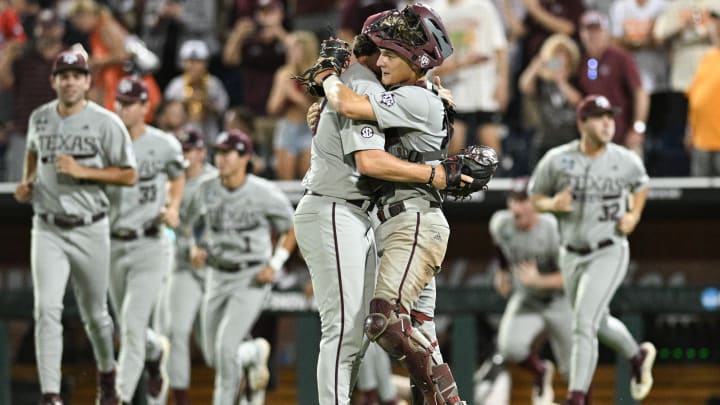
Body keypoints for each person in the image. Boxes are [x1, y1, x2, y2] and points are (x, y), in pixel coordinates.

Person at [315, 5, 470, 404]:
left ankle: (442, 399)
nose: (379, 59)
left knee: (384, 322)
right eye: (379, 51)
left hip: (412, 222)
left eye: (390, 53)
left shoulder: (417, 100)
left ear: (415, 59)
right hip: (404, 224)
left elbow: (349, 108)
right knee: (421, 336)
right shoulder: (419, 95)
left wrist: (327, 76)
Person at [13, 49, 137, 405]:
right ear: (54, 81)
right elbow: (33, 154)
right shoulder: (39, 118)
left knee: (96, 316)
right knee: (46, 309)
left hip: (90, 227)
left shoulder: (106, 122)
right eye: (63, 75)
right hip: (48, 226)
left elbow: (129, 174)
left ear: (87, 82)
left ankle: (107, 374)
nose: (69, 81)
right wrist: (27, 181)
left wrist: (86, 172)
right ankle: (50, 394)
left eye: (76, 75)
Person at [528, 94, 656, 405]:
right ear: (581, 122)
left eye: (610, 117)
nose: (608, 123)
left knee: (583, 323)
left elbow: (641, 185)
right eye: (600, 117)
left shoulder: (625, 159)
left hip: (609, 249)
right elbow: (535, 197)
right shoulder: (557, 159)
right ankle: (637, 355)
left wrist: (634, 215)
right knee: (597, 323)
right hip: (570, 253)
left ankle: (577, 397)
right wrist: (552, 204)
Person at [186, 129, 296, 405]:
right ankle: (254, 354)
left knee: (224, 349)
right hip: (217, 273)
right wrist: (195, 247)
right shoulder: (206, 189)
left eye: (228, 152)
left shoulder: (263, 192)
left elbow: (291, 228)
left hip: (251, 276)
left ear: (245, 156)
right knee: (212, 353)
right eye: (219, 152)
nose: (221, 158)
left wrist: (276, 263)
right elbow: (193, 225)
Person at [106, 76, 186, 405]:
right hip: (113, 242)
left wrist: (174, 206)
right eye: (119, 102)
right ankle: (154, 354)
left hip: (151, 243)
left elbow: (178, 174)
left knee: (131, 323)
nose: (122, 108)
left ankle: (118, 397)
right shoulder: (105, 142)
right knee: (124, 328)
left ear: (145, 106)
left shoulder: (163, 143)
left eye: (129, 102)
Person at [489, 177, 572, 405]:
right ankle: (541, 371)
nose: (516, 207)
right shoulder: (500, 224)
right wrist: (502, 272)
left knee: (575, 371)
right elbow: (500, 250)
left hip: (560, 301)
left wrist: (539, 281)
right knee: (509, 348)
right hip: (528, 299)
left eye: (523, 200)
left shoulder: (553, 228)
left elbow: (571, 278)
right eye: (513, 200)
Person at [433, 0, 509, 156]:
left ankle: (491, 180)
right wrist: (463, 63)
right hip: (453, 92)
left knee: (491, 149)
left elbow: (500, 47)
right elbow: (434, 65)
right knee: (454, 148)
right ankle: (454, 180)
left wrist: (502, 83)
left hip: (484, 89)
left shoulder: (482, 6)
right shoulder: (436, 11)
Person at [576, 11, 649, 156]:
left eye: (596, 30)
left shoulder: (620, 57)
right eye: (587, 30)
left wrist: (637, 128)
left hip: (623, 137)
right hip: (594, 140)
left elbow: (640, 93)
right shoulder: (584, 62)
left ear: (606, 32)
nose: (592, 35)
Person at [266, 30, 318, 180]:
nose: (290, 53)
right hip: (287, 127)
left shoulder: (316, 74)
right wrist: (284, 91)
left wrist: (295, 96)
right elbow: (272, 108)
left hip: (309, 129)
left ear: (305, 50)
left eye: (295, 48)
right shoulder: (283, 74)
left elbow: (319, 109)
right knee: (285, 179)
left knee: (308, 179)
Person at [684, 8, 720, 176]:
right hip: (702, 142)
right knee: (699, 199)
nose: (718, 27)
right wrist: (690, 130)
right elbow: (696, 98)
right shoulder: (707, 57)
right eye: (716, 23)